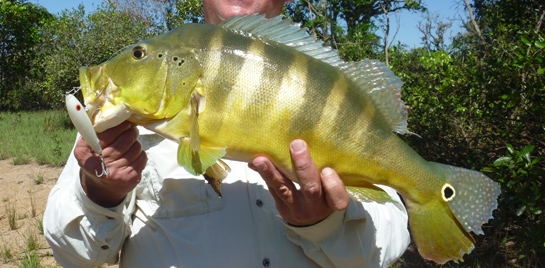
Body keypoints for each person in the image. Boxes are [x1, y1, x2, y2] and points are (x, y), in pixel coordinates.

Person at [43, 1, 410, 267]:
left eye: (139, 55)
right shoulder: (115, 129)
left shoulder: (329, 86)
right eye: (140, 54)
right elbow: (74, 255)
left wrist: (325, 225)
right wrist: (100, 192)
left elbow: (387, 245)